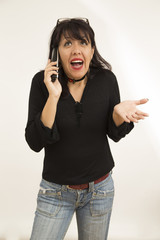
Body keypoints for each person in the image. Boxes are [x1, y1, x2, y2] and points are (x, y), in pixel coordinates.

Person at [25, 18, 149, 240]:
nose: (76, 50)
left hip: (99, 191)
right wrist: (53, 96)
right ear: (55, 53)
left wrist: (118, 115)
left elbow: (114, 133)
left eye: (83, 43)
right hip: (55, 193)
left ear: (92, 50)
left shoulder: (106, 80)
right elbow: (35, 142)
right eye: (67, 44)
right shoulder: (41, 83)